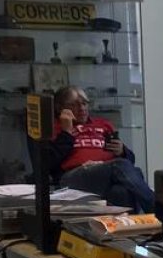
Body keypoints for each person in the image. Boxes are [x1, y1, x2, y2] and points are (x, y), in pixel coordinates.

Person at [46, 85, 155, 214]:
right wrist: (67, 133)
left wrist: (122, 151)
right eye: (74, 105)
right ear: (60, 108)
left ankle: (132, 229)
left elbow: (130, 161)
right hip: (73, 176)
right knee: (125, 168)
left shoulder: (103, 124)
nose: (82, 108)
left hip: (106, 172)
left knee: (121, 190)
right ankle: (159, 211)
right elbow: (48, 163)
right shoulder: (54, 128)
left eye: (85, 103)